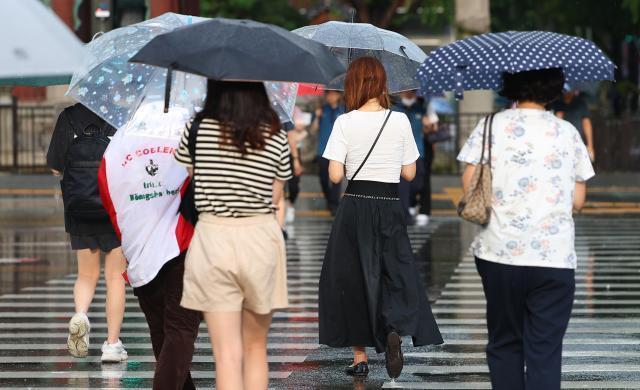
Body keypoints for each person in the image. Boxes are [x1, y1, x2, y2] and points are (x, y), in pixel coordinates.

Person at [457, 68, 594, 390]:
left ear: (512, 86)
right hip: (553, 258)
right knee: (545, 351)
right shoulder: (567, 132)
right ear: (555, 89)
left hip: (499, 252)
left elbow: (469, 185)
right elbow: (578, 200)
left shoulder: (491, 125)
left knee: (504, 343)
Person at [318, 57, 443, 379]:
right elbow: (410, 171)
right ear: (382, 84)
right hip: (388, 204)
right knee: (394, 272)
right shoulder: (399, 120)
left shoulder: (345, 122)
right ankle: (393, 332)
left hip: (355, 205)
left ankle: (359, 356)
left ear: (354, 85)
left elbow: (333, 176)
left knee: (352, 277)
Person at [174, 80, 291, 390]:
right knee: (255, 348)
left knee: (226, 355)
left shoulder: (197, 129)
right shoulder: (275, 132)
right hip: (259, 237)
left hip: (213, 237)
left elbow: (192, 176)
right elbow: (276, 196)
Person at [98, 103, 201, 389]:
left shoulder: (118, 142)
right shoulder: (189, 129)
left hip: (139, 249)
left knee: (163, 333)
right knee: (180, 330)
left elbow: (108, 197)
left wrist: (131, 237)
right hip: (182, 244)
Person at [46, 103, 127, 363]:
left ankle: (80, 315)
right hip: (114, 208)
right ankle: (112, 345)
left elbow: (56, 167)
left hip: (79, 208)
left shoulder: (68, 118)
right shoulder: (120, 116)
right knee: (115, 278)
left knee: (86, 275)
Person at [393, 90, 435, 226]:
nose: (410, 93)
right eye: (408, 90)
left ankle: (412, 204)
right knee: (403, 185)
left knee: (419, 183)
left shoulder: (421, 109)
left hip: (419, 152)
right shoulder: (395, 109)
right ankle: (406, 215)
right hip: (400, 153)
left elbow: (432, 129)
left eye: (412, 91)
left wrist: (428, 126)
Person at [311, 90, 345, 215]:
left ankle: (334, 204)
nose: (330, 96)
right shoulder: (321, 110)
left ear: (338, 95)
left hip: (338, 151)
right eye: (328, 94)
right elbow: (313, 129)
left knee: (337, 179)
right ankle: (329, 199)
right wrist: (317, 117)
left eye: (333, 94)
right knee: (323, 179)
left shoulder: (343, 111)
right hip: (322, 150)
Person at [552, 85, 596, 162]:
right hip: (560, 143)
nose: (567, 92)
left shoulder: (580, 103)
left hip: (577, 141)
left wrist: (590, 146)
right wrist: (557, 118)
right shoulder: (556, 104)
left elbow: (586, 124)